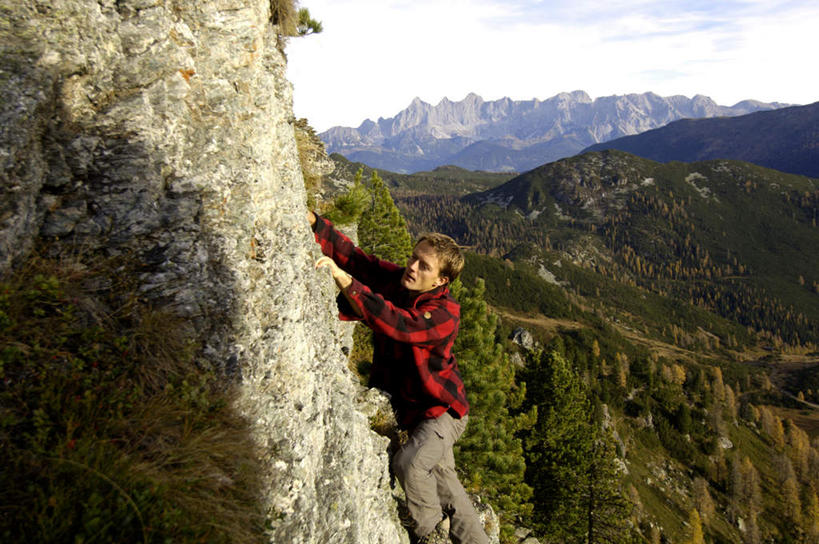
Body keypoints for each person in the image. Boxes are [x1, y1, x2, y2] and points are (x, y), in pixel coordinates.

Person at [308, 210, 489, 544]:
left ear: (440, 281)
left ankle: (431, 535)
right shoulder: (401, 284)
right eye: (413, 257)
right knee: (446, 483)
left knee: (411, 464)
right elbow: (360, 261)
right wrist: (315, 223)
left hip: (440, 410)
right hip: (414, 407)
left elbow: (402, 325)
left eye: (424, 266)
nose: (412, 266)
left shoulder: (446, 315)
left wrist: (346, 282)